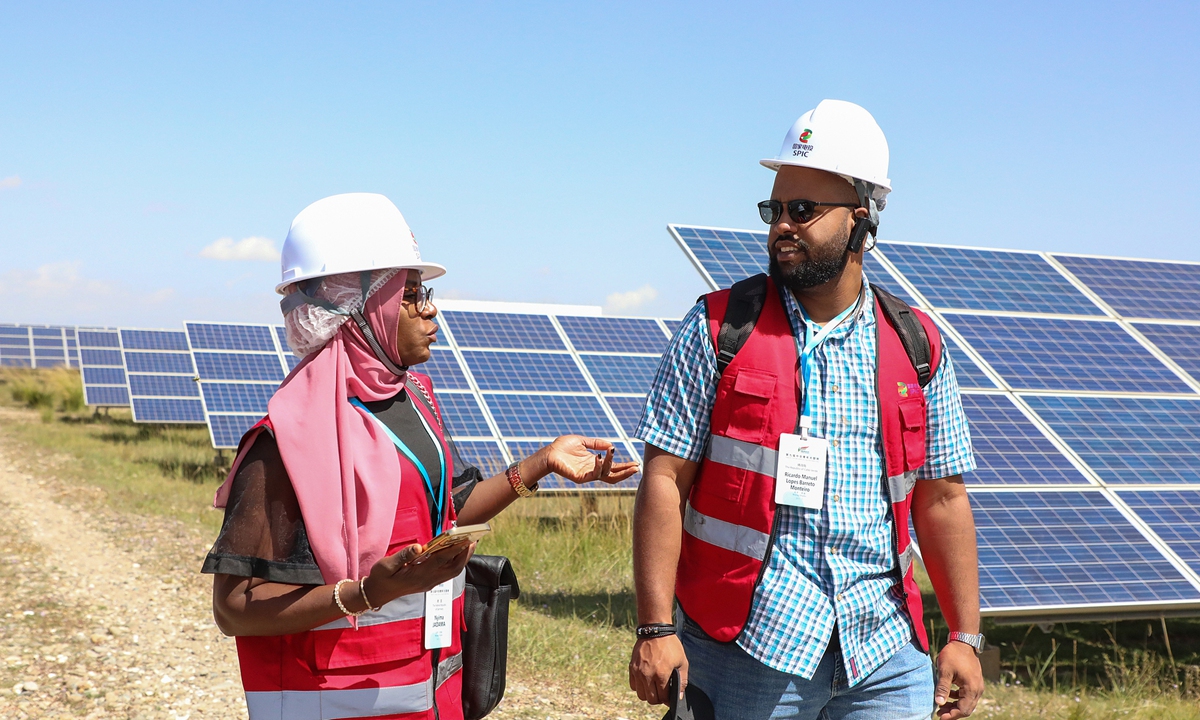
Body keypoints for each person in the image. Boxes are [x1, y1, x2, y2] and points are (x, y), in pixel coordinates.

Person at [201, 192, 638, 720]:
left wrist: (542, 462)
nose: (430, 308)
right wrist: (365, 593)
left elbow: (446, 514)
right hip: (339, 700)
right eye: (409, 293)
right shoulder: (284, 442)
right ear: (357, 308)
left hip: (432, 688)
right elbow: (234, 607)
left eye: (423, 291)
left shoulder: (417, 401)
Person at [628, 100, 984, 720]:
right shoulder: (717, 329)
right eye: (774, 210)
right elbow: (663, 479)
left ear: (861, 218)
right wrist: (656, 629)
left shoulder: (915, 344)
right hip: (746, 648)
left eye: (803, 211)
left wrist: (964, 634)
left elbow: (943, 497)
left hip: (883, 653)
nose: (780, 227)